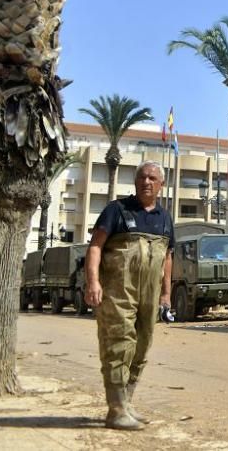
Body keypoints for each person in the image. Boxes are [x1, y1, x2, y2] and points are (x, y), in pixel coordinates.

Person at [85, 161, 175, 430]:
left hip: (150, 294)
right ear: (135, 183)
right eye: (142, 177)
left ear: (161, 185)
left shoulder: (165, 218)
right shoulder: (117, 210)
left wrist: (167, 294)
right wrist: (93, 282)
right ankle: (115, 409)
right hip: (117, 292)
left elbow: (168, 257)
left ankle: (127, 403)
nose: (146, 182)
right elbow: (95, 246)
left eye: (152, 178)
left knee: (141, 345)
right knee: (118, 344)